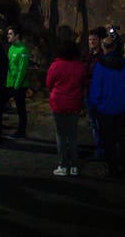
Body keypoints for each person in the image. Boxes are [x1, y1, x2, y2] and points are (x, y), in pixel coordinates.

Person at [87, 35, 125, 177]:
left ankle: (112, 167)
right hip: (121, 107)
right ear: (115, 47)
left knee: (108, 139)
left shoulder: (100, 66)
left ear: (103, 47)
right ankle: (122, 165)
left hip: (104, 109)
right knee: (120, 136)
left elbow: (96, 89)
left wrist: (95, 104)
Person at [46, 41, 88, 176]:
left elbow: (49, 83)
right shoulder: (80, 66)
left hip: (58, 103)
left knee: (61, 135)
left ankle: (63, 165)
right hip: (74, 103)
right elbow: (83, 83)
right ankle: (74, 166)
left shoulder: (56, 65)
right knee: (73, 135)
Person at [5, 25, 30, 139]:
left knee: (20, 108)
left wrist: (16, 86)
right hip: (9, 84)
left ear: (17, 36)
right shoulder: (11, 48)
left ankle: (21, 131)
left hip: (19, 85)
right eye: (8, 34)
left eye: (10, 34)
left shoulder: (23, 50)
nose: (8, 36)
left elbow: (22, 70)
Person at [85, 26, 106, 157]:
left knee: (101, 123)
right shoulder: (87, 56)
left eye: (94, 39)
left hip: (100, 95)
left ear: (100, 41)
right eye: (90, 39)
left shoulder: (103, 57)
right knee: (94, 124)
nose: (92, 42)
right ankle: (99, 148)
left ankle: (103, 149)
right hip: (89, 94)